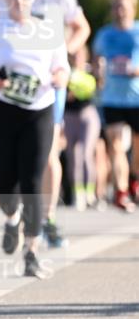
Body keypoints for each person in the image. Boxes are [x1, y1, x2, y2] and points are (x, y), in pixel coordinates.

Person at [0, 0, 90, 248]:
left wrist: (62, 54)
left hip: (46, 82)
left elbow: (82, 27)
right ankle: (18, 213)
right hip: (9, 84)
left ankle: (48, 217)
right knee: (9, 157)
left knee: (49, 149)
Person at [0, 0, 70, 278]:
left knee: (33, 182)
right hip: (2, 109)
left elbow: (63, 72)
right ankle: (11, 219)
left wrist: (51, 79)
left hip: (39, 110)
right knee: (7, 185)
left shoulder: (48, 30)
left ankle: (32, 252)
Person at [92, 0, 139, 212]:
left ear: (132, 8)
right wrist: (98, 71)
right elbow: (95, 61)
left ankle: (134, 182)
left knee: (137, 149)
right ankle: (121, 192)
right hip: (111, 97)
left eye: (124, 7)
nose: (120, 11)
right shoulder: (104, 34)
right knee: (116, 146)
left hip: (137, 96)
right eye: (116, 7)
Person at [63, 47, 100, 211]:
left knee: (86, 155)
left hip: (87, 115)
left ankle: (90, 193)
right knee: (73, 156)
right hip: (70, 116)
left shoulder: (89, 72)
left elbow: (90, 89)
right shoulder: (64, 71)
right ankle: (77, 193)